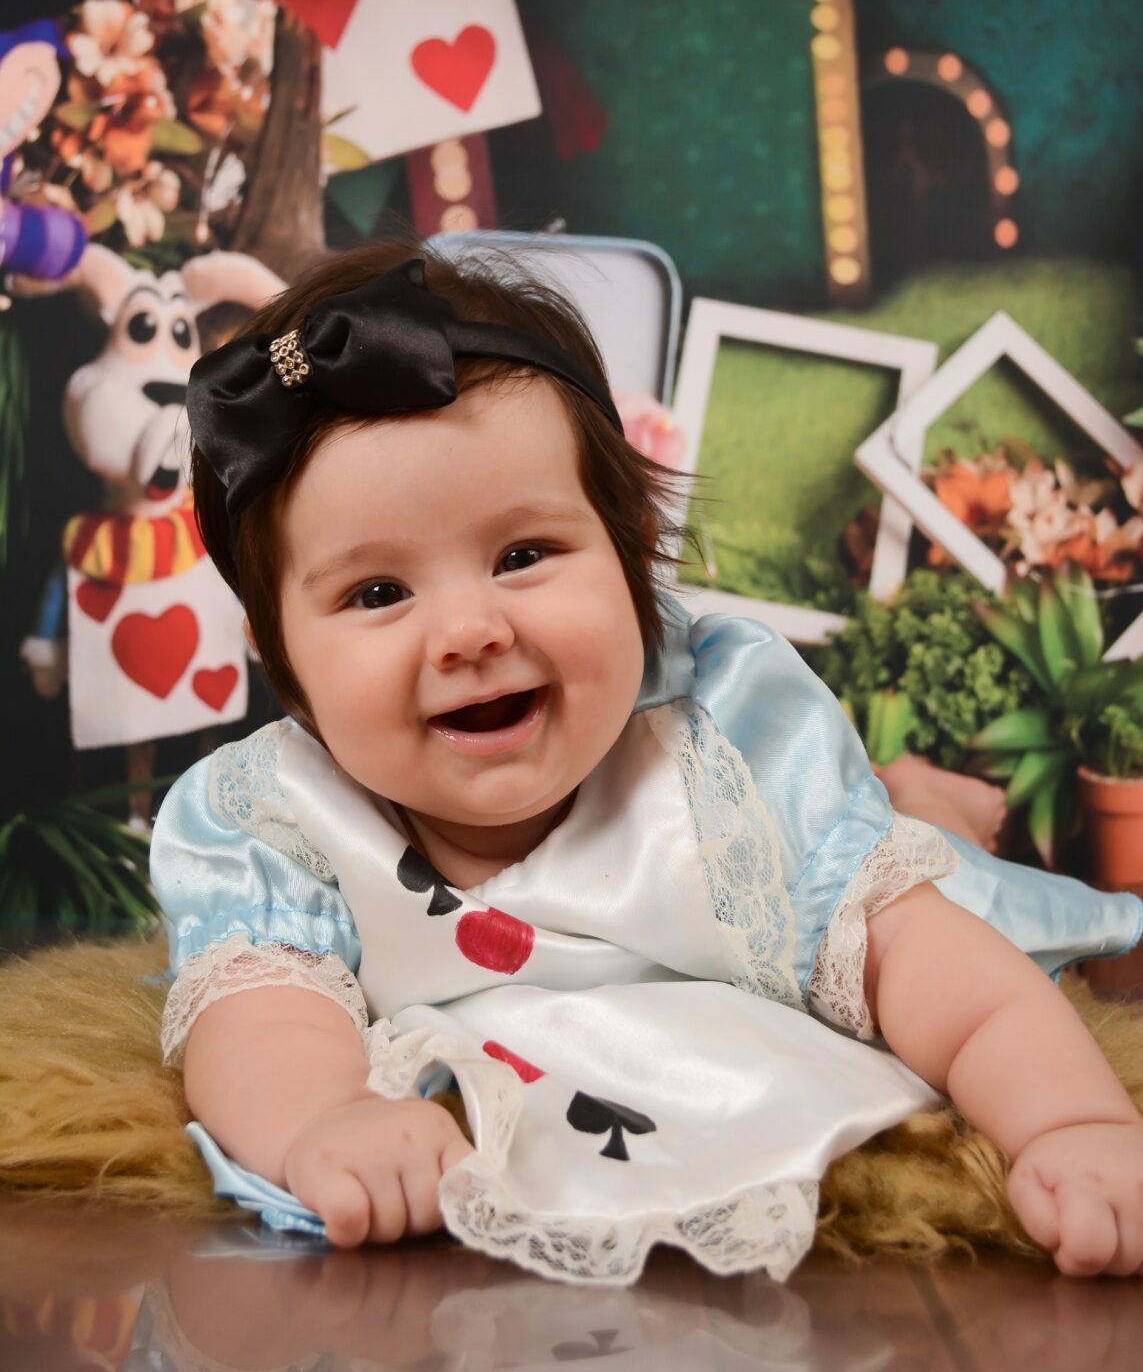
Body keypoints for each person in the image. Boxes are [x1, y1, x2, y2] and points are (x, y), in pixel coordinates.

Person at [150, 240, 1143, 1287]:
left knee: (913, 884)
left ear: (630, 548)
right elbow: (256, 1023)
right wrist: (325, 1118)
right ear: (279, 651)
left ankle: (926, 806)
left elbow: (934, 971)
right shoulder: (280, 819)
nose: (468, 632)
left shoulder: (724, 758)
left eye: (522, 556)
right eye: (377, 594)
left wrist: (1072, 1123)